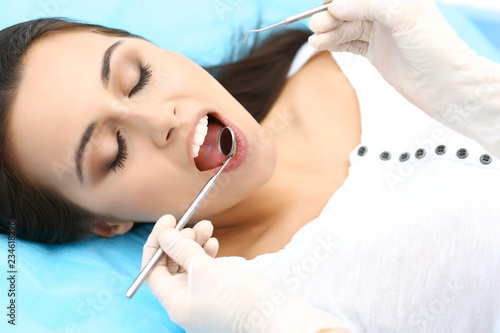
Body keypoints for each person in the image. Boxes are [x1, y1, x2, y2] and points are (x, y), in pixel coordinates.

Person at [1, 0, 499, 331]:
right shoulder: (243, 303)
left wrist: (478, 95)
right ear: (106, 224)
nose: (160, 120)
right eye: (114, 153)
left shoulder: (357, 48)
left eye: (137, 77)